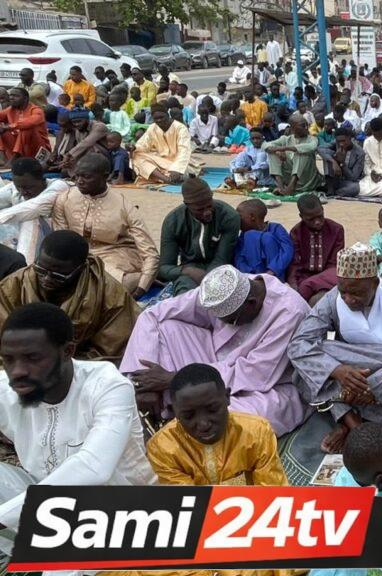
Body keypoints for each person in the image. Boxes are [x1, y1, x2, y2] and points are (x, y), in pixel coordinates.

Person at [0, 303, 156, 547]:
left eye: (33, 358)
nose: (18, 371)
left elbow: (94, 467)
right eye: (8, 360)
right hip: (52, 510)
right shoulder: (8, 388)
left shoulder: (108, 386)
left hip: (124, 513)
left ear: (67, 351)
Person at [121, 265, 309, 436]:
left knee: (225, 418)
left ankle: (176, 413)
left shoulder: (290, 312)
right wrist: (145, 385)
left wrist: (175, 379)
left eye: (231, 321)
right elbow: (152, 315)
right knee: (164, 327)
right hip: (214, 364)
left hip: (269, 387)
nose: (225, 324)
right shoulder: (225, 285)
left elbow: (254, 375)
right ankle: (154, 401)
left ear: (251, 303)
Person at [287, 243, 382, 453]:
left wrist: (375, 385)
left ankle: (352, 420)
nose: (348, 299)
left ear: (374, 283)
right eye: (344, 292)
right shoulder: (333, 298)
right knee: (303, 369)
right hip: (349, 375)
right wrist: (337, 370)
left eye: (356, 293)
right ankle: (351, 421)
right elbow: (299, 343)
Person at [0, 230, 138, 362]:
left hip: (83, 365)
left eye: (58, 276)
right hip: (21, 361)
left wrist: (61, 366)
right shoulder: (12, 286)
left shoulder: (111, 295)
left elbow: (111, 350)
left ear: (81, 268)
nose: (46, 279)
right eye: (40, 270)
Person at [146, 363, 287, 486]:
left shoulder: (257, 432)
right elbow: (186, 501)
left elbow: (273, 495)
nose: (203, 424)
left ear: (227, 397)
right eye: (188, 416)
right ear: (174, 412)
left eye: (212, 410)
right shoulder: (163, 448)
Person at [51, 153, 158, 297]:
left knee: (105, 282)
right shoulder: (65, 198)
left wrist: (142, 288)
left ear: (105, 176)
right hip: (76, 254)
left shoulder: (124, 206)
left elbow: (150, 253)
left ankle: (134, 279)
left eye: (86, 177)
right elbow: (61, 239)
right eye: (76, 176)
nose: (79, 181)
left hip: (115, 253)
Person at [158, 178, 241, 295]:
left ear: (212, 196)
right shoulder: (173, 222)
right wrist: (188, 271)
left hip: (222, 267)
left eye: (209, 206)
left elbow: (222, 258)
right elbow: (164, 267)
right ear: (187, 205)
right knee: (186, 295)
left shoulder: (229, 216)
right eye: (200, 209)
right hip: (189, 269)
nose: (207, 212)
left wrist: (207, 279)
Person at [0, 157, 68, 264]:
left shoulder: (59, 187)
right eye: (18, 187)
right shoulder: (19, 186)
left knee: (30, 220)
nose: (23, 192)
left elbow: (33, 209)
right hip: (21, 238)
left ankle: (25, 267)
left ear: (42, 179)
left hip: (59, 240)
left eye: (28, 187)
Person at [287, 194, 345, 302]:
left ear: (322, 209)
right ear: (301, 216)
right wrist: (293, 284)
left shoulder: (336, 229)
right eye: (311, 219)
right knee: (297, 295)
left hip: (328, 276)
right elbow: (295, 264)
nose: (317, 222)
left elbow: (334, 263)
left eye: (320, 216)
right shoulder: (296, 232)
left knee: (318, 298)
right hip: (304, 278)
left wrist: (317, 282)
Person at [130, 102, 192, 184]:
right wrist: (134, 147)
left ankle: (165, 176)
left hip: (180, 163)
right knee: (136, 154)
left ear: (167, 115)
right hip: (162, 161)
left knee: (182, 171)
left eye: (161, 117)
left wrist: (177, 169)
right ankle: (166, 179)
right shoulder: (152, 127)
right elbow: (143, 145)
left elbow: (184, 151)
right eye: (156, 118)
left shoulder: (180, 128)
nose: (159, 120)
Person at [234, 198, 294, 280]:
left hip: (275, 275)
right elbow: (239, 258)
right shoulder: (243, 236)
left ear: (252, 217)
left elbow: (287, 250)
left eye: (240, 216)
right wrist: (249, 274)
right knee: (250, 236)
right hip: (253, 276)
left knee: (266, 238)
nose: (237, 220)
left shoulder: (276, 228)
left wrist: (272, 270)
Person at [266, 115, 323, 196]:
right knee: (272, 153)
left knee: (301, 152)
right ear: (292, 128)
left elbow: (311, 147)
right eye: (302, 125)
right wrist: (277, 151)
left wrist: (284, 148)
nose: (306, 127)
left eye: (307, 124)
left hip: (307, 181)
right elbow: (266, 146)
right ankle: (281, 187)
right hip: (288, 178)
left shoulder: (312, 139)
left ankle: (290, 188)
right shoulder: (285, 139)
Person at [50, 106, 109, 177]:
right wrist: (69, 161)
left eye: (79, 121)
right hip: (88, 157)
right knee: (66, 170)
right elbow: (80, 151)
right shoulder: (78, 130)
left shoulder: (99, 127)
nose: (76, 124)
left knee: (91, 147)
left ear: (87, 119)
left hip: (103, 156)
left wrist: (69, 154)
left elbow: (86, 143)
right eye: (74, 122)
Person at [0, 87, 50, 169]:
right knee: (2, 130)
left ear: (25, 99)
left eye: (15, 96)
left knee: (26, 128)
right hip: (20, 147)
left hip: (38, 150)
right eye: (10, 95)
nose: (11, 98)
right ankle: (2, 157)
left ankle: (14, 159)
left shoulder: (36, 110)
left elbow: (29, 123)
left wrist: (8, 126)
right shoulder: (11, 109)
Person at [322, 127, 365, 198]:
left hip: (347, 182)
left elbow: (354, 177)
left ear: (349, 138)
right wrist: (333, 161)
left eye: (343, 141)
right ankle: (330, 189)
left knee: (355, 188)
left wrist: (342, 163)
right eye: (339, 141)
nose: (341, 144)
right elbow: (320, 148)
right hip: (333, 179)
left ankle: (335, 192)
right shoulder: (336, 143)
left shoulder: (360, 153)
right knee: (327, 158)